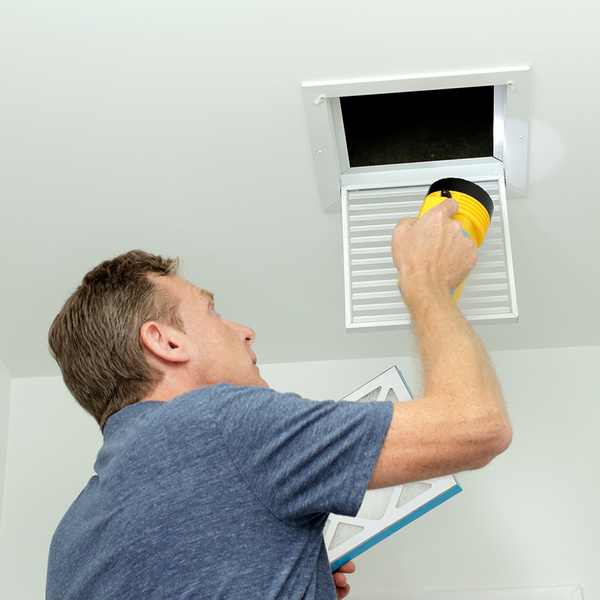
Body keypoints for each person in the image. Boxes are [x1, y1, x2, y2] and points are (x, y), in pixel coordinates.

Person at [45, 198, 512, 600]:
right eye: (213, 311)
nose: (244, 331)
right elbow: (477, 425)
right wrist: (425, 281)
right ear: (166, 342)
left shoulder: (69, 539)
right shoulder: (215, 424)